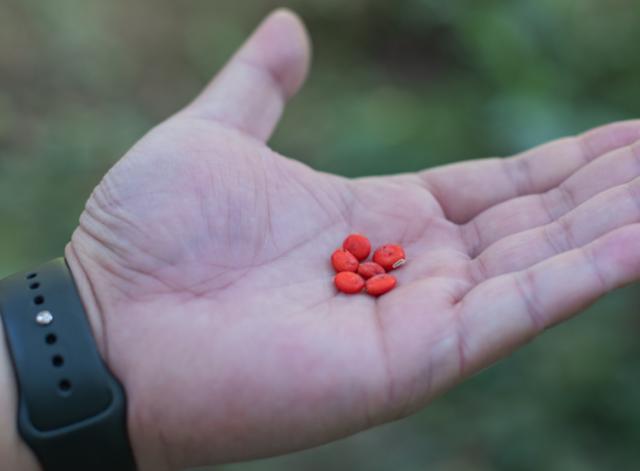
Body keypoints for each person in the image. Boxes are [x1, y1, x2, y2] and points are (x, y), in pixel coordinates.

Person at [2, 8, 640, 471]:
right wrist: (103, 306)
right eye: (374, 265)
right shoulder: (350, 268)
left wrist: (92, 322)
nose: (371, 265)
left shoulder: (365, 266)